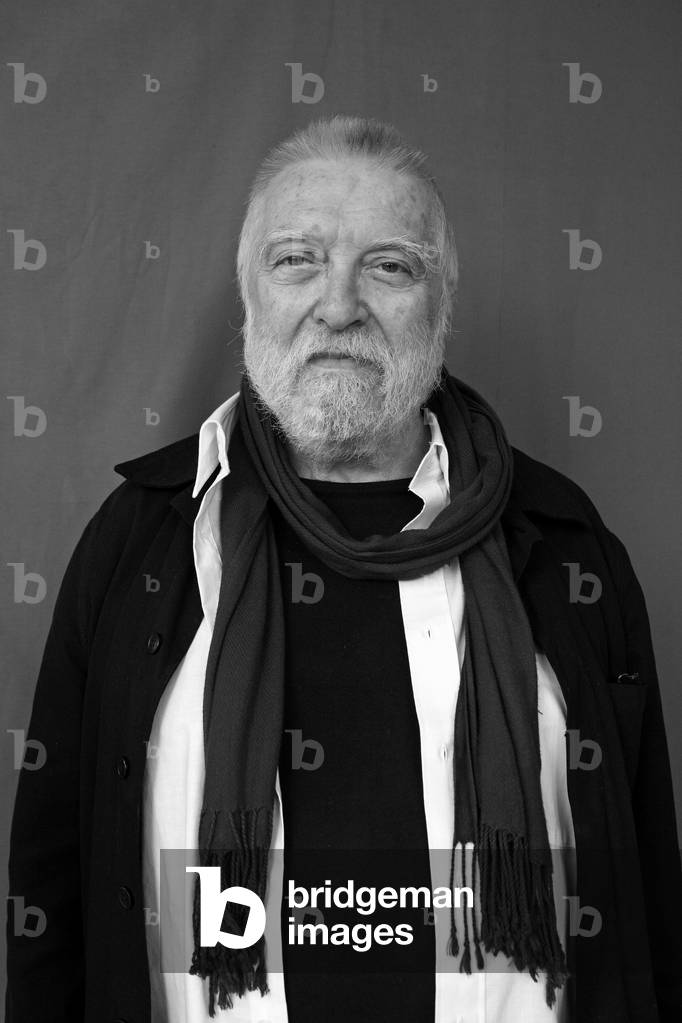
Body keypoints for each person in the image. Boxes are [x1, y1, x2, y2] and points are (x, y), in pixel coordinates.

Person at [5, 114, 681, 1023]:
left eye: (389, 265)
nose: (338, 304)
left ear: (442, 305)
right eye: (298, 259)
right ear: (250, 297)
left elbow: (646, 888)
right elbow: (52, 883)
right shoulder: (141, 542)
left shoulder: (567, 548)